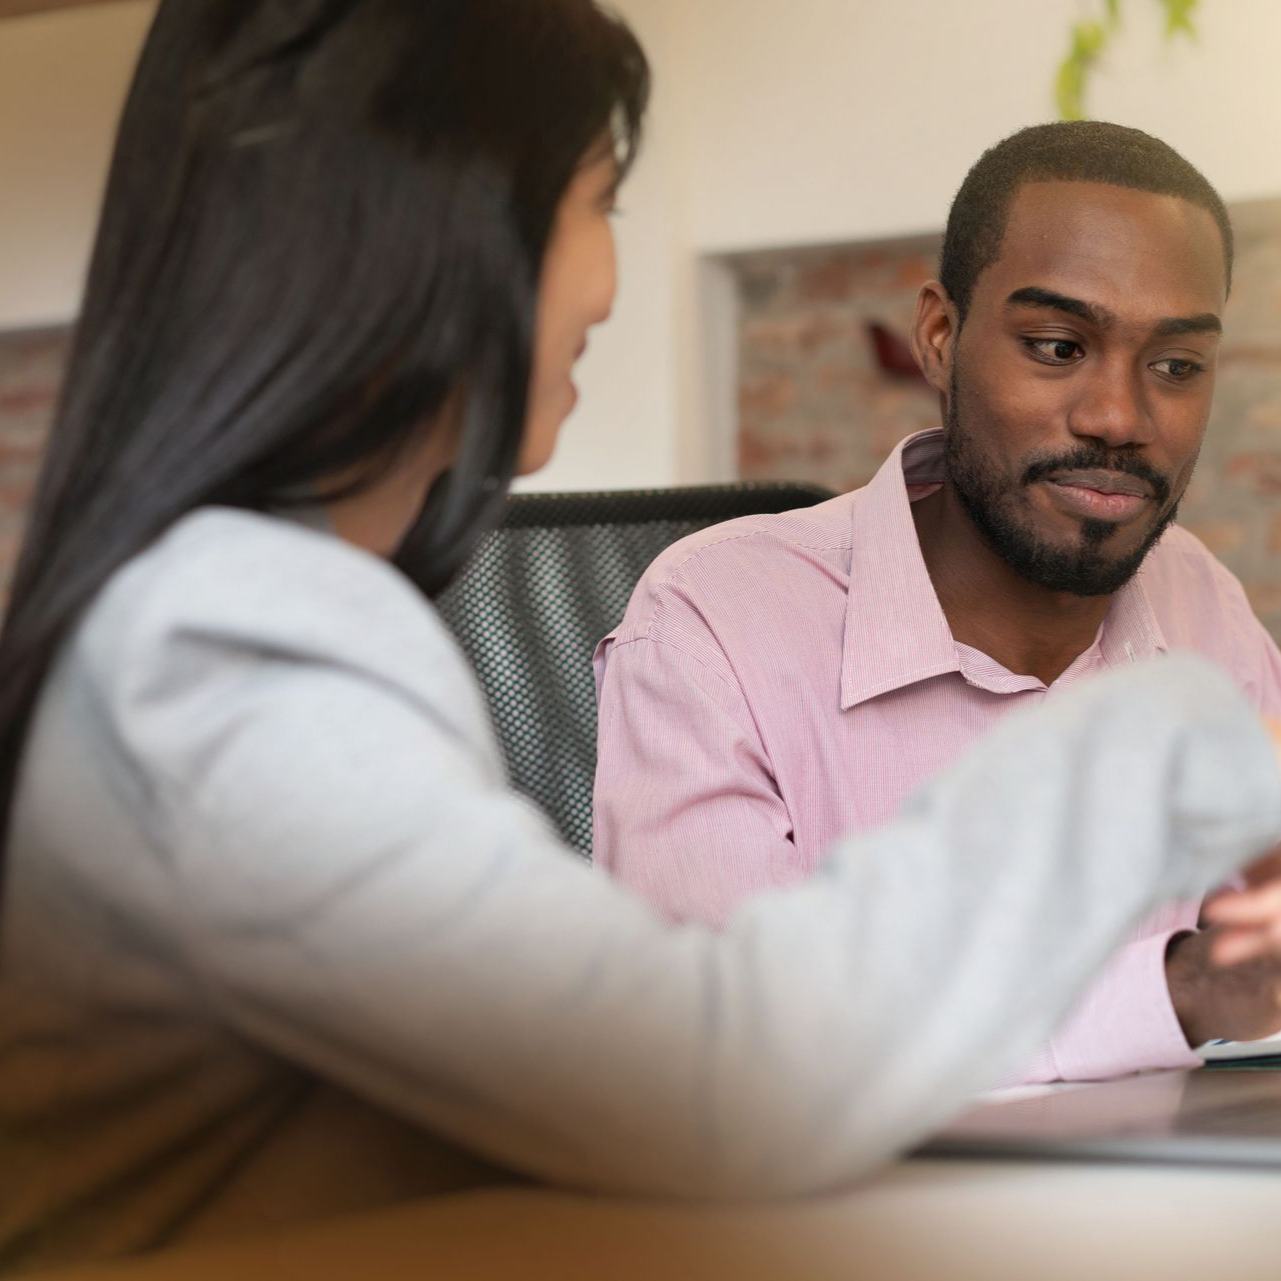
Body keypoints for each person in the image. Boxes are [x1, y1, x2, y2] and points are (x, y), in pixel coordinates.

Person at [0, 7, 1279, 1273]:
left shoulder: (244, 617)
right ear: (439, 230)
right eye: (598, 197)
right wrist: (1181, 738)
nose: (610, 280)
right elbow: (700, 1092)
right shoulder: (227, 645)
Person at [593, 122, 1281, 1082]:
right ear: (940, 337)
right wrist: (1183, 991)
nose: (1119, 418)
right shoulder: (712, 625)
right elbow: (730, 1063)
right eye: (1055, 346)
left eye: (1175, 366)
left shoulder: (1198, 600)